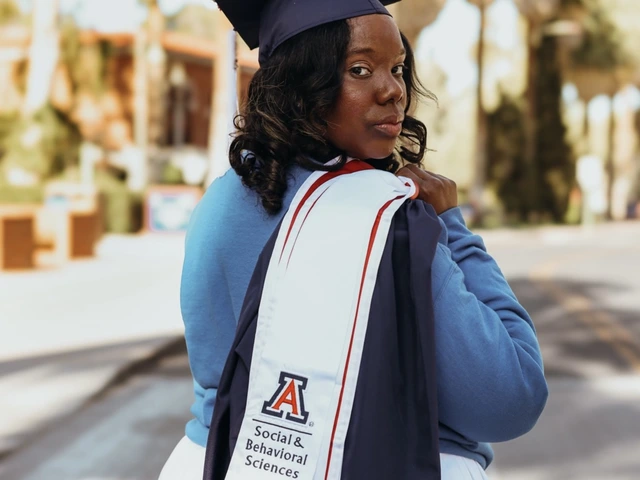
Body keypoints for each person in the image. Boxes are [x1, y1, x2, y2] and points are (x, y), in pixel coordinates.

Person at [159, 0, 549, 478]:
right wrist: (452, 226)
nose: (393, 91)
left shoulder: (220, 202)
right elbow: (510, 398)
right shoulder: (385, 219)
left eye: (398, 68)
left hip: (217, 461)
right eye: (360, 69)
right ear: (304, 83)